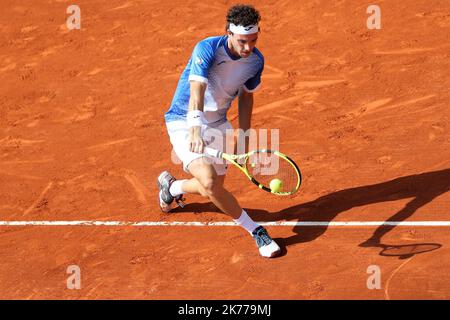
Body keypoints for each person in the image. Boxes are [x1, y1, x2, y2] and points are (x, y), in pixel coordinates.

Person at [158, 4, 280, 258]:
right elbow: (196, 93)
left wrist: (244, 137)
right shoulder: (207, 49)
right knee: (211, 182)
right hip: (184, 119)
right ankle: (256, 230)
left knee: (209, 189)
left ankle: (172, 188)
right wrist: (193, 130)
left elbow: (246, 98)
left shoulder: (256, 61)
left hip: (218, 123)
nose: (248, 48)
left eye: (254, 40)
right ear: (228, 33)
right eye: (242, 41)